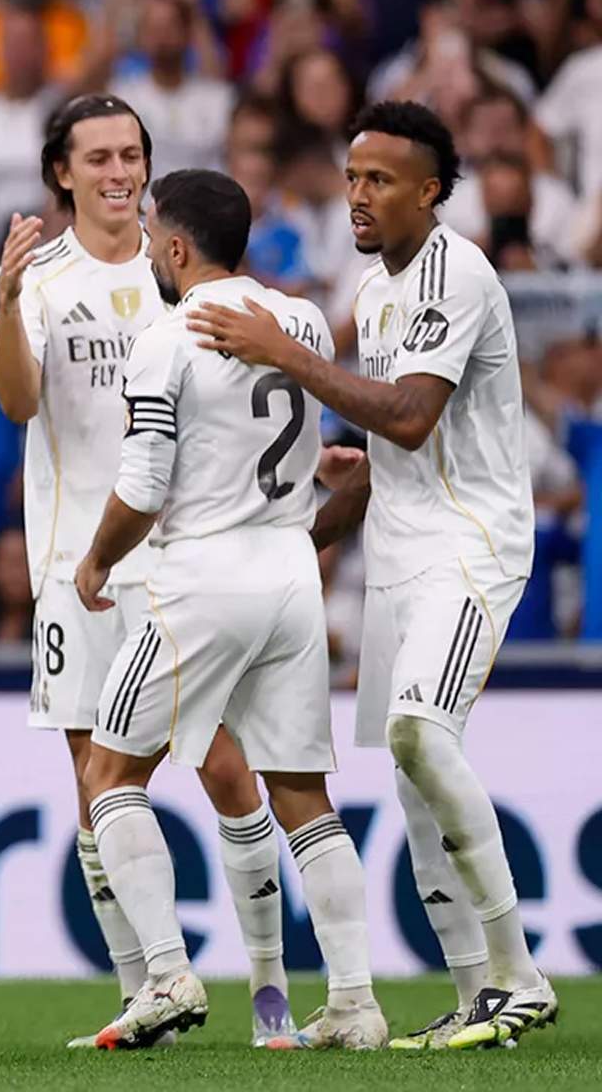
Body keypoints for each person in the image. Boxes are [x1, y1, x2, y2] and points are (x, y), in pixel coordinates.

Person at [189, 100, 555, 1052]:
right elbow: (385, 448)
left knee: (418, 734)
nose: (357, 196)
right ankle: (479, 995)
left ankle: (522, 976)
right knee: (409, 772)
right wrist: (302, 537)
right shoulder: (381, 291)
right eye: (352, 177)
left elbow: (405, 416)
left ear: (430, 192)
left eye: (380, 180)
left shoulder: (456, 273)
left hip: (470, 546)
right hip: (398, 544)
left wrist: (287, 356)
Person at [0, 94, 293, 1047]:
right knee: (91, 774)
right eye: (100, 158)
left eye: (133, 156)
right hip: (75, 561)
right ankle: (150, 984)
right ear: (62, 173)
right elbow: (20, 404)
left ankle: (273, 988)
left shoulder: (190, 280)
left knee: (224, 764)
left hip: (185, 559)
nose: (120, 173)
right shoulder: (40, 280)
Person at [71, 169, 385, 1052]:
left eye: (149, 236)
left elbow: (142, 485)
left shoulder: (166, 337)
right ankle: (355, 1002)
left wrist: (97, 558)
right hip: (292, 572)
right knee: (301, 796)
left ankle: (168, 975)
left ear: (175, 247)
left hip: (201, 578)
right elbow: (273, 428)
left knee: (108, 778)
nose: (145, 250)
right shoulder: (304, 320)